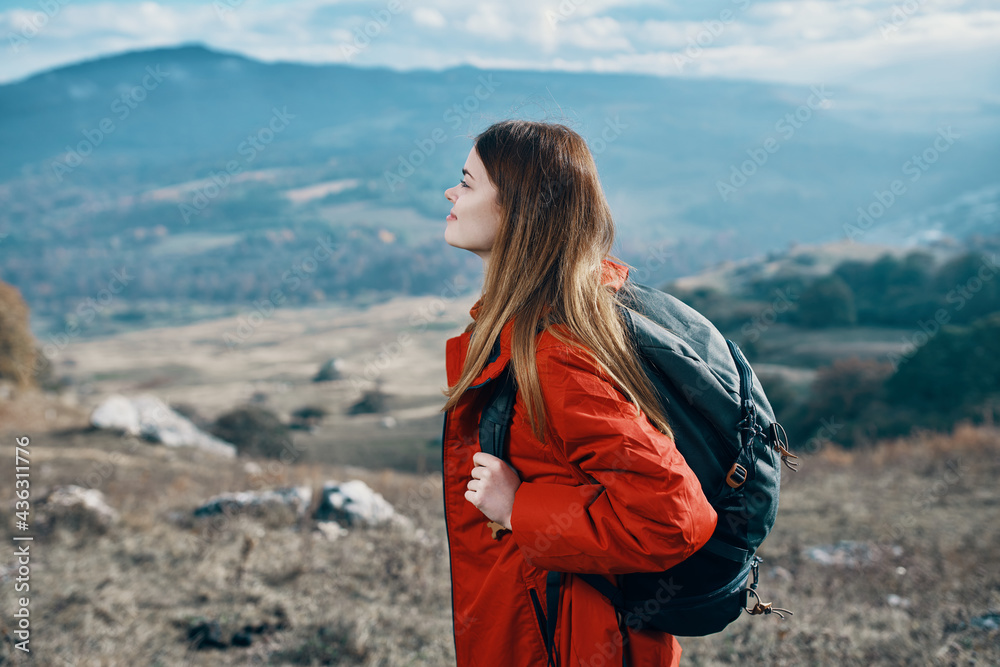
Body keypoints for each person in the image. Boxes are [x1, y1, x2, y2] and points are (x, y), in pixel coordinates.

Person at [440, 119, 718, 667]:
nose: (451, 193)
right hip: (550, 628)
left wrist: (519, 506)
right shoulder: (539, 328)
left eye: (468, 182)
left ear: (517, 209)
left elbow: (673, 516)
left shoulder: (558, 353)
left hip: (578, 644)